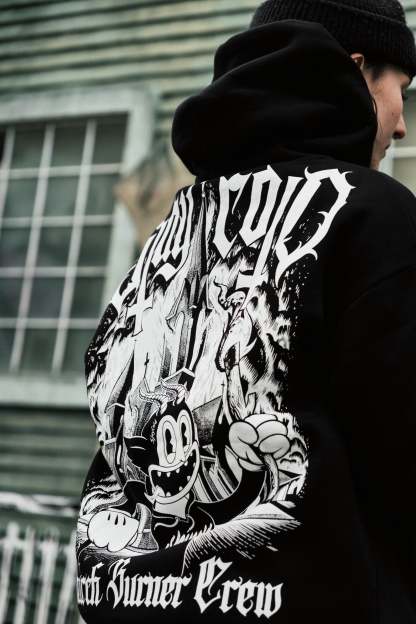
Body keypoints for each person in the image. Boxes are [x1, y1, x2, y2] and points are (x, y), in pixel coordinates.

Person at [75, 1, 416, 622]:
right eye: (403, 91)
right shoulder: (377, 215)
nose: (399, 127)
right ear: (357, 71)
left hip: (127, 599)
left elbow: (110, 411)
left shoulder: (170, 230)